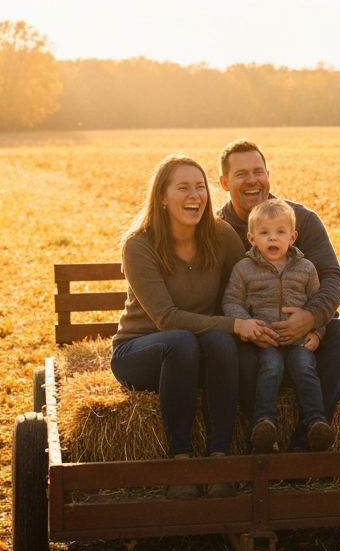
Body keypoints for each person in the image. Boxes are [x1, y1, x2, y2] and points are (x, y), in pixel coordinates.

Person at [110, 154, 265, 499]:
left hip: (197, 352)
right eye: (183, 188)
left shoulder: (221, 236)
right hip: (141, 350)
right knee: (181, 341)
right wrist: (235, 324)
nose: (194, 195)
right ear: (162, 197)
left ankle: (219, 462)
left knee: (220, 344)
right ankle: (180, 463)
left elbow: (243, 290)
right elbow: (166, 319)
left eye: (200, 187)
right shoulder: (139, 245)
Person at [217, 139, 340, 450]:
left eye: (258, 171)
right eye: (241, 174)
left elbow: (332, 277)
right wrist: (245, 327)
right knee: (222, 346)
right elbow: (219, 295)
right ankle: (257, 431)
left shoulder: (300, 219)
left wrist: (312, 319)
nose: (252, 180)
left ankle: (308, 437)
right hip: (249, 338)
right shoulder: (216, 228)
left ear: (268, 174)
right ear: (225, 183)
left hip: (300, 340)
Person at [222, 198, 335, 454]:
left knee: (305, 367)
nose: (272, 239)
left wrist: (316, 332)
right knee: (270, 368)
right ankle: (264, 423)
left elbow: (320, 307)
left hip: (299, 342)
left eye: (280, 232)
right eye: (264, 233)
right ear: (252, 239)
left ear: (292, 236)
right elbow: (231, 301)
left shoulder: (306, 269)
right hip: (266, 340)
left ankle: (316, 422)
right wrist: (247, 324)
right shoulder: (244, 269)